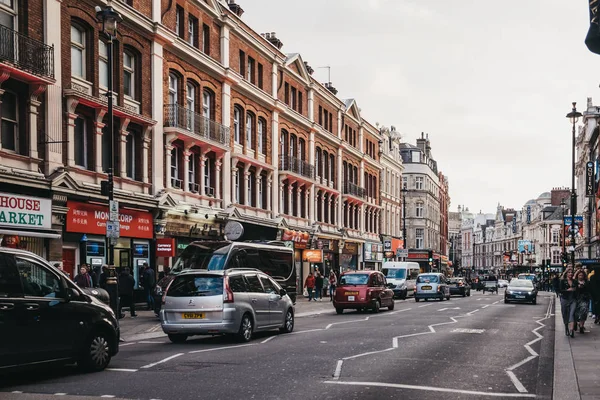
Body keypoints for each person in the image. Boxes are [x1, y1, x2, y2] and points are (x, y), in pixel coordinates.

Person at [560, 269, 577, 338]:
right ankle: (566, 326)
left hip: (573, 300)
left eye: (571, 272)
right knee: (565, 314)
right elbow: (560, 290)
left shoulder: (575, 281)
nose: (570, 273)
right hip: (564, 299)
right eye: (569, 272)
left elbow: (577, 290)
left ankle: (571, 329)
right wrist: (567, 290)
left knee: (572, 314)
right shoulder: (562, 281)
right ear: (566, 274)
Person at [574, 269, 590, 333]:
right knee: (576, 313)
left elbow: (589, 290)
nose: (581, 276)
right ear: (577, 276)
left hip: (584, 299)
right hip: (576, 299)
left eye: (582, 275)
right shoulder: (575, 282)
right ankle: (575, 323)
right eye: (579, 275)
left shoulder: (587, 282)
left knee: (584, 312)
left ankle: (581, 326)